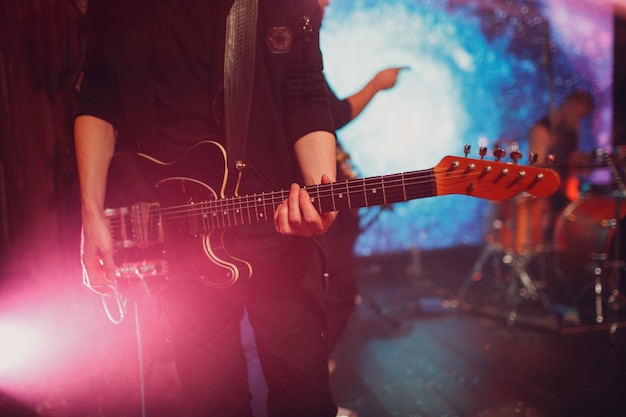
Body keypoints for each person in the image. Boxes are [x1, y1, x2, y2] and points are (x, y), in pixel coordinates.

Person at [74, 1, 340, 416]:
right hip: (178, 239)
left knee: (303, 400)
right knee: (213, 404)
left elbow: (304, 91)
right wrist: (91, 214)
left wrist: (322, 193)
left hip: (275, 231)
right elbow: (98, 97)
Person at [528, 90, 594, 218]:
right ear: (568, 106)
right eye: (577, 115)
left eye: (581, 117)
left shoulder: (571, 130)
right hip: (545, 198)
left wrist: (586, 160)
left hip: (563, 194)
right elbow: (537, 167)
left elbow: (572, 156)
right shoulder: (543, 129)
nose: (578, 120)